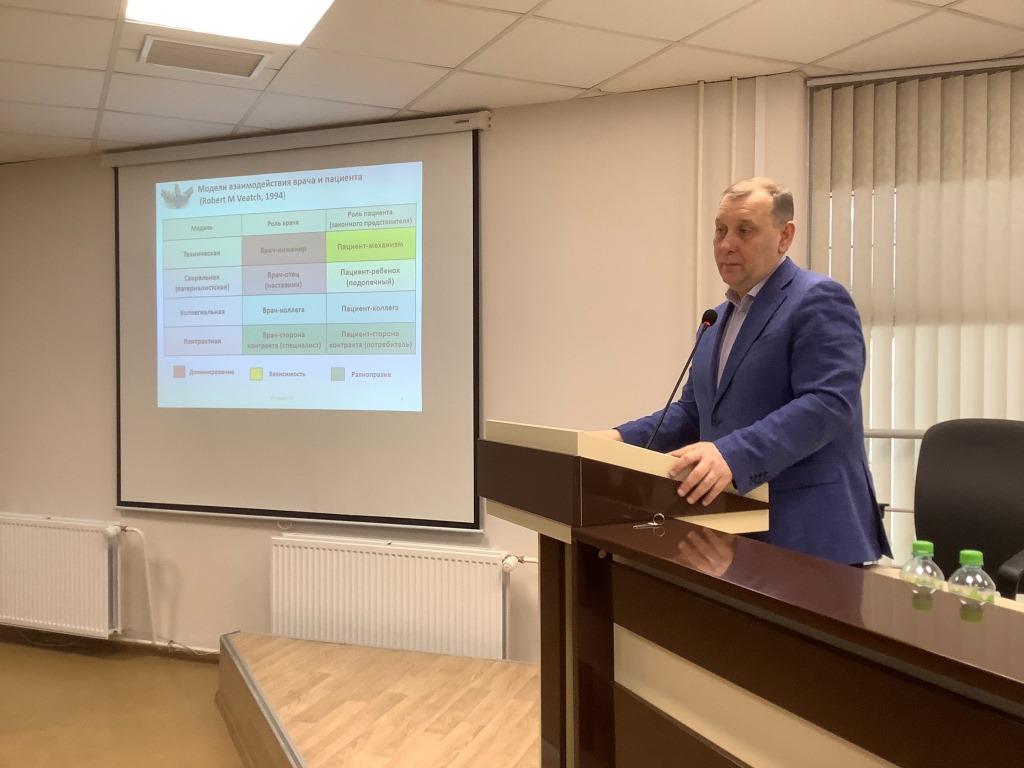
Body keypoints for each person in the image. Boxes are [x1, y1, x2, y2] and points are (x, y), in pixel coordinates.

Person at [601, 178, 891, 565]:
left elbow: (828, 404)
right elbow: (693, 413)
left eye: (744, 231)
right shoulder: (715, 320)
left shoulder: (818, 298)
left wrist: (732, 454)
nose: (726, 244)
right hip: (731, 533)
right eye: (720, 230)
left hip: (810, 534)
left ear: (785, 236)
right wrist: (618, 439)